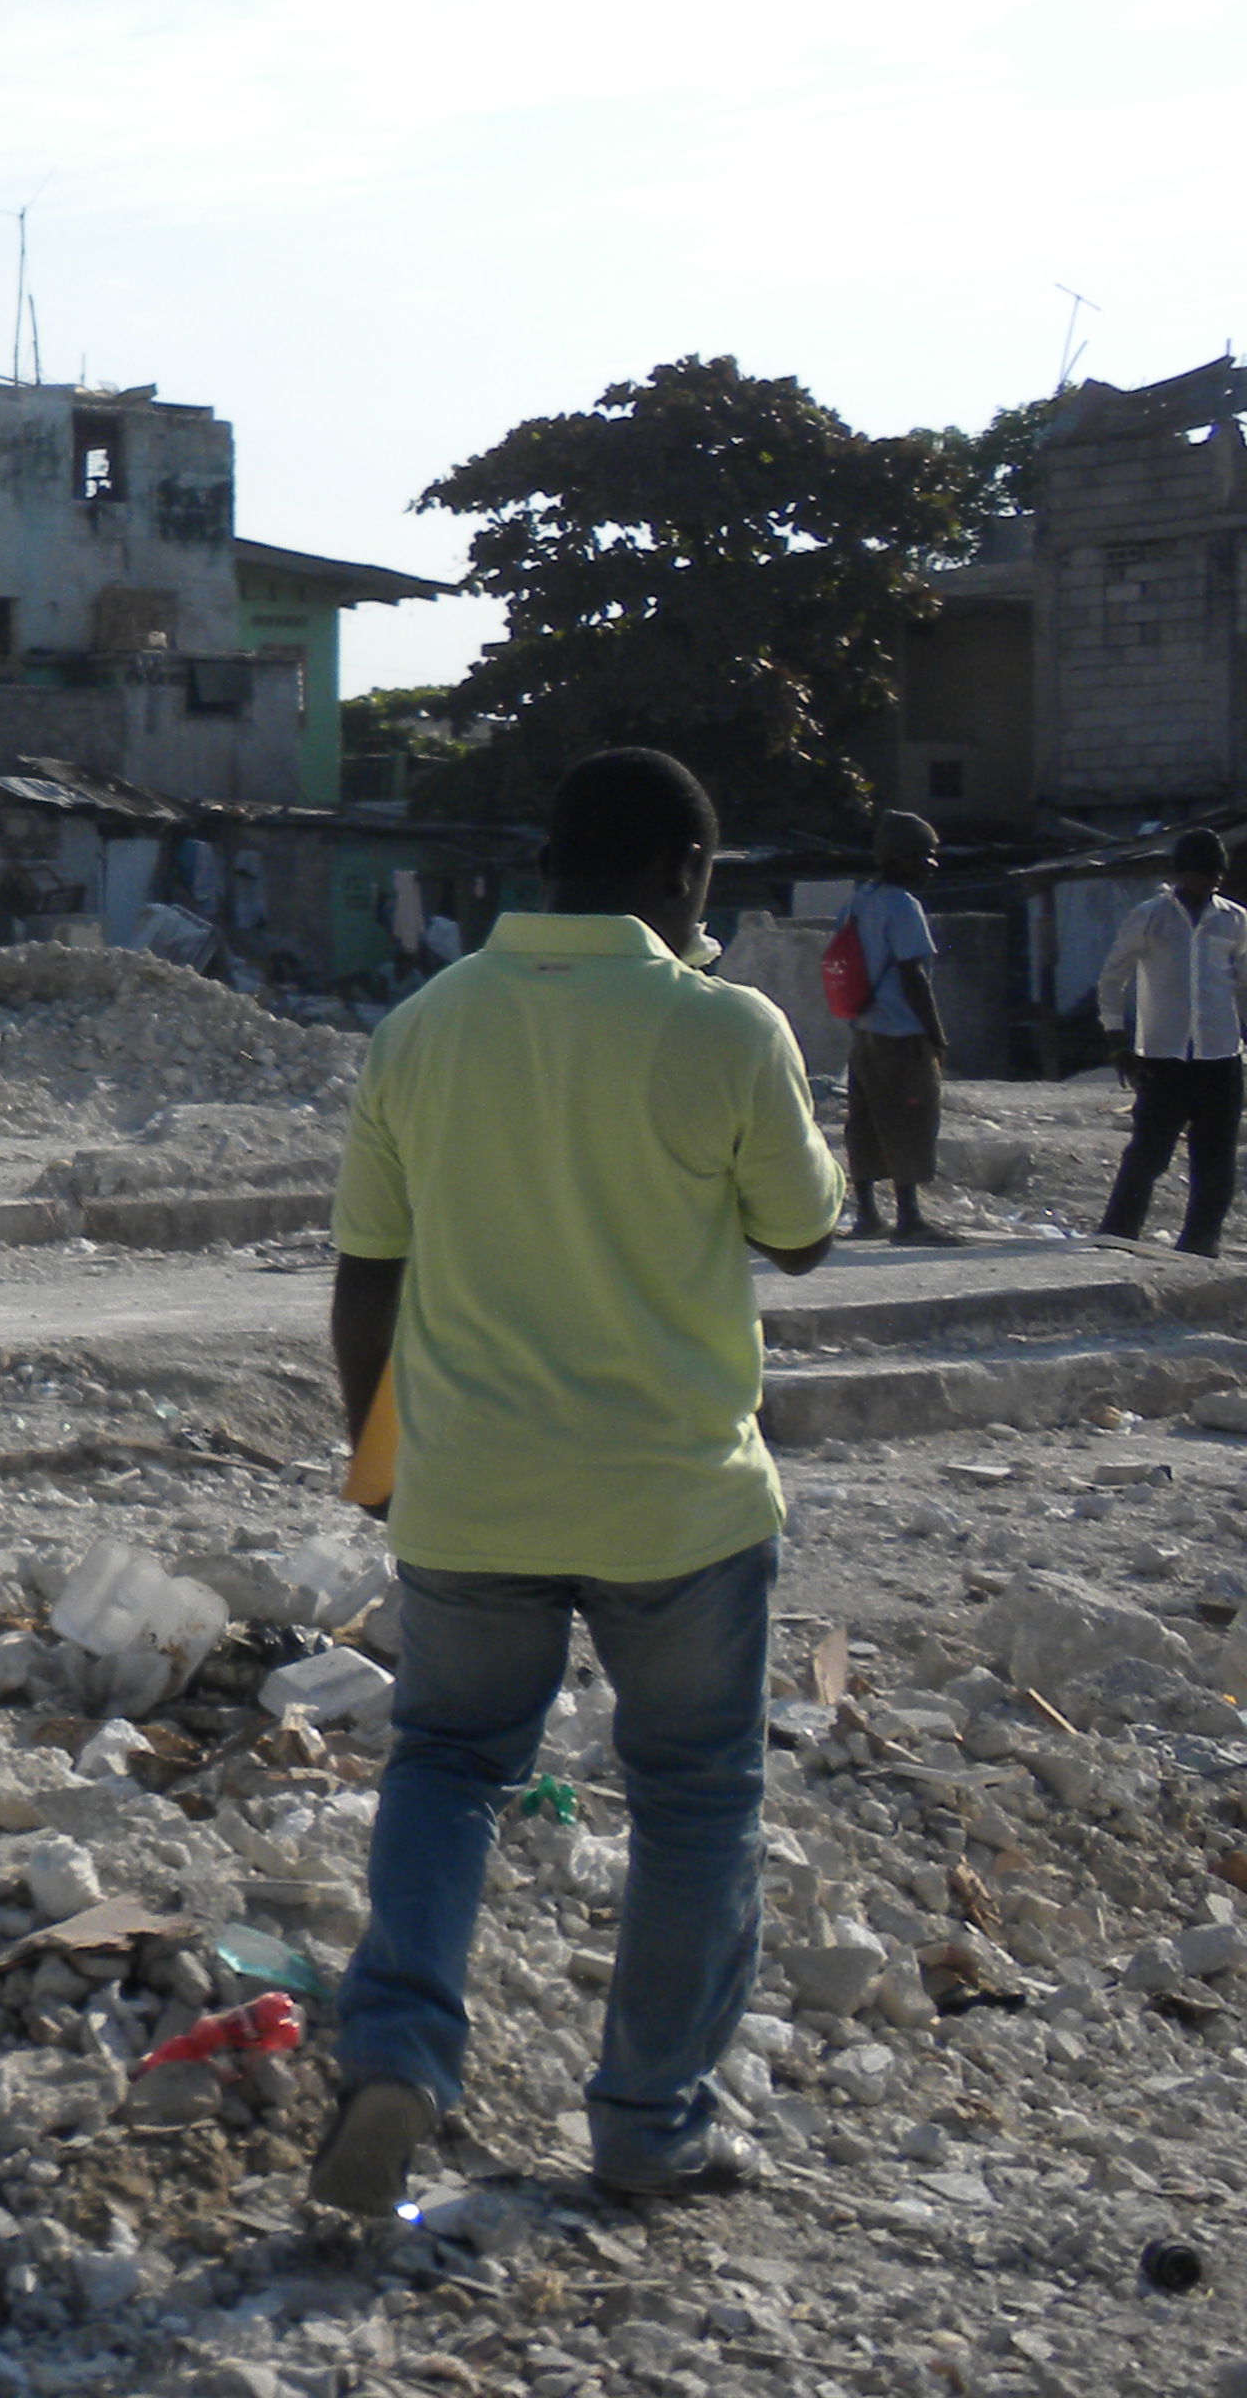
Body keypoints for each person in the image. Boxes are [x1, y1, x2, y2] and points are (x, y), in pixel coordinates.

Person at [315, 749, 840, 2213]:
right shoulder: (725, 1027)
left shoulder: (422, 1027)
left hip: (470, 1489)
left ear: (546, 866)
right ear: (685, 874)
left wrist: (379, 1470)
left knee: (447, 1764)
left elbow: (365, 1283)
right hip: (677, 1502)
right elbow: (803, 1238)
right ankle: (648, 2125)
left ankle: (398, 2054)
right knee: (695, 1799)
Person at [1092, 829, 1247, 1257]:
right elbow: (1112, 980)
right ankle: (1118, 1234)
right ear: (1179, 874)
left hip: (1220, 1056)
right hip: (1163, 1057)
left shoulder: (1235, 920)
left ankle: (1201, 1242)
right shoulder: (1150, 916)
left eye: (1214, 877)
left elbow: (1244, 987)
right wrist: (1117, 1042)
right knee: (1148, 1153)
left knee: (1215, 1158)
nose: (1206, 884)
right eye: (1198, 875)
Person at [838, 809, 962, 1245]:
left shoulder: (858, 901)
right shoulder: (903, 905)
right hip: (901, 1033)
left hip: (864, 1031)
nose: (932, 865)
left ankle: (868, 1215)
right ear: (900, 858)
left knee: (866, 1121)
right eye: (925, 856)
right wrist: (936, 1035)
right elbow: (914, 975)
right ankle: (910, 1220)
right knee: (911, 1119)